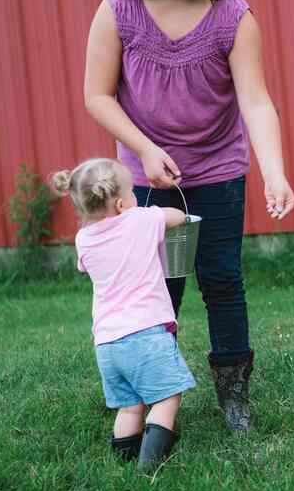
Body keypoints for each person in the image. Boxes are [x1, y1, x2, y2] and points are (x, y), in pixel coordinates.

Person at [83, 0, 294, 433]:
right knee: (159, 285)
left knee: (221, 279)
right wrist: (146, 150)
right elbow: (97, 96)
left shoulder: (232, 14)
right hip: (146, 179)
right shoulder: (118, 9)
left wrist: (274, 171)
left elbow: (256, 100)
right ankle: (156, 392)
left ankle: (234, 396)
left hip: (218, 172)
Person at [52, 158, 196, 472]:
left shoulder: (84, 239)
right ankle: (150, 467)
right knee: (167, 398)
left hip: (107, 343)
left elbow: (88, 265)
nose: (135, 198)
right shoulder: (140, 220)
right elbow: (177, 216)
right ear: (119, 203)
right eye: (132, 193)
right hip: (145, 332)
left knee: (130, 407)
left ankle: (124, 463)